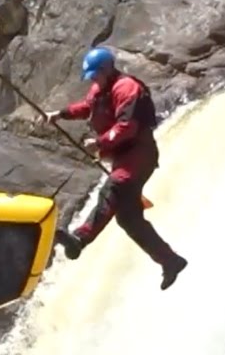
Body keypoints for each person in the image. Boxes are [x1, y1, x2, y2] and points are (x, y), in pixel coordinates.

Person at [44, 46, 188, 290]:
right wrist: (60, 114)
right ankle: (171, 261)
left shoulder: (127, 88)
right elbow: (88, 107)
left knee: (116, 187)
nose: (94, 80)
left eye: (96, 75)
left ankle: (79, 239)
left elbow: (127, 126)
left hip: (138, 154)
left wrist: (99, 143)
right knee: (129, 220)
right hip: (123, 157)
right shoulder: (100, 88)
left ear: (107, 69)